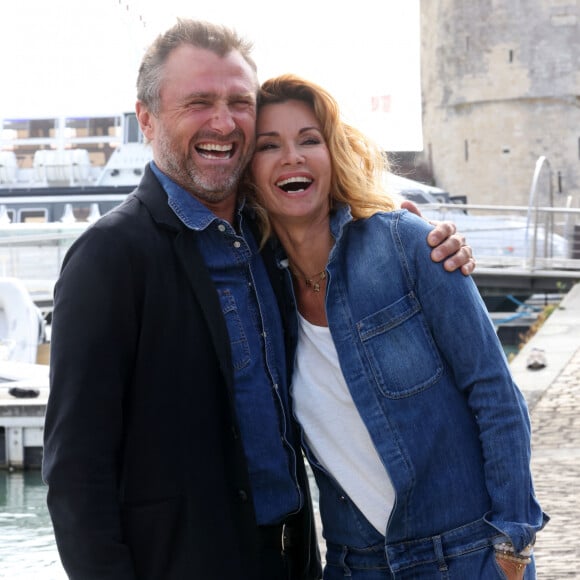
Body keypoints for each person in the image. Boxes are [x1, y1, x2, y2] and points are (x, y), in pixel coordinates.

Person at [42, 19, 473, 580]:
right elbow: (77, 471)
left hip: (296, 559)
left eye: (239, 103)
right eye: (198, 102)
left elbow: (340, 224)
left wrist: (419, 241)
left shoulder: (268, 238)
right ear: (147, 117)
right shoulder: (109, 259)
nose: (223, 122)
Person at [246, 74, 548, 580]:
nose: (291, 157)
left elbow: (494, 394)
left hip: (464, 557)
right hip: (354, 563)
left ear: (333, 153)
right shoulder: (257, 291)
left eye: (309, 140)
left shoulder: (409, 246)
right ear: (249, 172)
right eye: (267, 145)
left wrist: (512, 546)